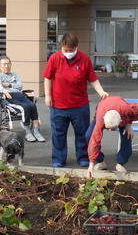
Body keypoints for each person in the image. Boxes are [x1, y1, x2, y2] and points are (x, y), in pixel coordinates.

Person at [43, 33, 109, 168]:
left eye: (71, 50)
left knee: (82, 134)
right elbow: (47, 78)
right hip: (58, 105)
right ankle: (58, 159)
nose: (68, 53)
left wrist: (101, 92)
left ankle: (84, 157)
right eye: (65, 50)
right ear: (61, 47)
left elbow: (92, 79)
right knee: (58, 134)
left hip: (79, 105)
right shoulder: (55, 58)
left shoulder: (84, 59)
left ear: (76, 47)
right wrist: (47, 95)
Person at [85, 95, 138, 178]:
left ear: (121, 121)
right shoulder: (100, 119)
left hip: (121, 113)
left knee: (127, 136)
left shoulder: (126, 110)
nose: (110, 131)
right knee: (89, 136)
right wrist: (91, 164)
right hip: (103, 110)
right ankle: (100, 161)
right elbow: (95, 141)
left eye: (112, 129)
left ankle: (120, 163)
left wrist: (129, 124)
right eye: (108, 128)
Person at [0, 56, 45, 143]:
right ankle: (28, 132)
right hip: (8, 96)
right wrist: (4, 90)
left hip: (19, 94)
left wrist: (8, 85)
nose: (7, 66)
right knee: (24, 107)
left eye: (8, 64)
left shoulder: (15, 74)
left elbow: (20, 86)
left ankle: (36, 131)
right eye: (4, 64)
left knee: (32, 105)